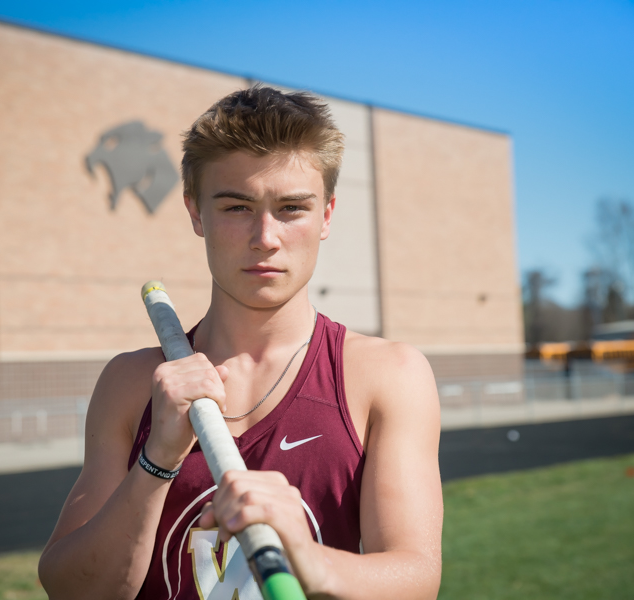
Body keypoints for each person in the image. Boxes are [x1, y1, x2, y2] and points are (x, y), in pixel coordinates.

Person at [38, 86, 443, 600]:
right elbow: (70, 588)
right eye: (237, 207)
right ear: (195, 212)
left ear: (327, 216)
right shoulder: (131, 382)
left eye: (292, 208)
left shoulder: (387, 375)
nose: (265, 237)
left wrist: (308, 559)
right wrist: (156, 459)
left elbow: (417, 580)